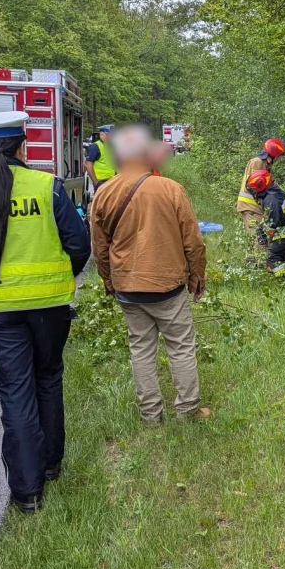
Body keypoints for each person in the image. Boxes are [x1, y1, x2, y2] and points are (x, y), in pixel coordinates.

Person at [0, 111, 90, 514]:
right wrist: (60, 277)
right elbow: (78, 244)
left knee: (16, 394)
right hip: (49, 308)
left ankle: (26, 493)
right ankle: (50, 466)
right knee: (48, 379)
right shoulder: (48, 187)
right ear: (22, 144)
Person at [90, 125, 209, 423]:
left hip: (128, 288)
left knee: (141, 349)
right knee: (180, 347)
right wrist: (197, 276)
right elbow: (193, 241)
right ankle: (187, 411)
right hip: (167, 286)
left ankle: (150, 416)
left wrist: (108, 281)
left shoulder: (104, 193)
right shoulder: (171, 188)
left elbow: (99, 247)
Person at [244, 169, 285, 280]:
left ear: (260, 185)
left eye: (254, 190)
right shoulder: (275, 193)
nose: (254, 193)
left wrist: (261, 229)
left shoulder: (270, 199)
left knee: (273, 258)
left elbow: (273, 224)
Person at [235, 138, 285, 241]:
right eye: (278, 157)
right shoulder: (257, 162)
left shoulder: (265, 165)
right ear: (273, 155)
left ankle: (255, 257)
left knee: (261, 240)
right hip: (250, 207)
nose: (278, 159)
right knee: (259, 241)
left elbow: (271, 185)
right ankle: (257, 257)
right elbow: (255, 186)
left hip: (256, 208)